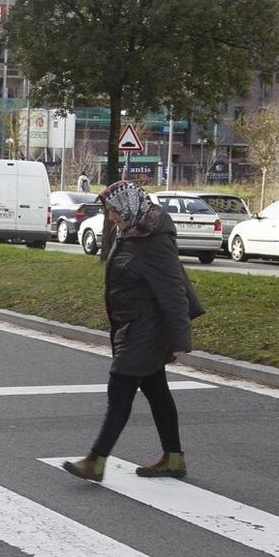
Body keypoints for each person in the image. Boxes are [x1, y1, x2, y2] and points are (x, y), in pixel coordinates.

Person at [63, 181, 204, 483]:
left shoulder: (154, 241)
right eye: (109, 212)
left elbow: (174, 291)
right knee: (157, 392)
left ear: (128, 206)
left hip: (146, 331)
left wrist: (180, 340)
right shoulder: (131, 232)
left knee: (120, 393)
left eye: (114, 211)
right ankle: (174, 458)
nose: (111, 217)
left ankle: (96, 461)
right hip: (132, 326)